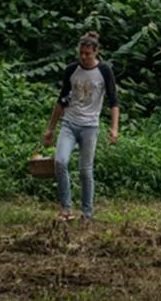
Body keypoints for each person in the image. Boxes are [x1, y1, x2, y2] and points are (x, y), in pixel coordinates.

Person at [42, 31, 120, 222]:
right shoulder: (71, 70)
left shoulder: (104, 71)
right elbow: (61, 100)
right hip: (69, 123)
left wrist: (114, 128)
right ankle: (66, 208)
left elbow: (114, 101)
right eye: (81, 53)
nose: (84, 57)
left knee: (86, 170)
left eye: (88, 54)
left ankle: (87, 213)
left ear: (96, 52)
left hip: (90, 126)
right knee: (60, 161)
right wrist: (50, 128)